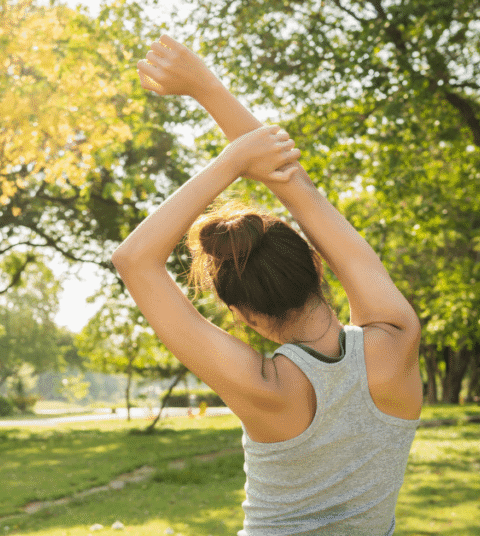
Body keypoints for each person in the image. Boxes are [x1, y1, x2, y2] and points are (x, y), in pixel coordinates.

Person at [111, 35, 423, 535]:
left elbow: (133, 259)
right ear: (318, 265)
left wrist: (232, 162)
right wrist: (208, 89)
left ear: (244, 315)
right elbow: (294, 186)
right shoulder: (398, 338)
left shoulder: (265, 387)